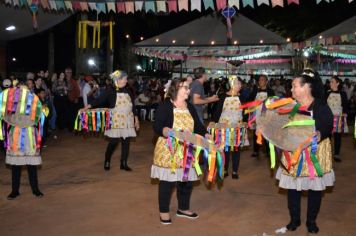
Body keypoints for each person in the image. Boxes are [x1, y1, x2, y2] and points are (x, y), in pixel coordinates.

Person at [276, 69, 334, 234]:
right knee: (293, 188)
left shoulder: (320, 105)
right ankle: (294, 220)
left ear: (307, 87)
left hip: (314, 152)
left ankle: (311, 221)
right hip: (293, 152)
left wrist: (319, 133)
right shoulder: (291, 106)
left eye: (295, 86)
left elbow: (327, 124)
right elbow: (282, 126)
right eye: (292, 86)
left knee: (314, 189)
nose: (292, 89)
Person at [152, 78, 208, 225]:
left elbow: (198, 126)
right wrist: (165, 130)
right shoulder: (165, 105)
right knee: (167, 183)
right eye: (185, 87)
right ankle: (163, 211)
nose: (188, 90)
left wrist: (206, 135)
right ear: (176, 89)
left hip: (187, 149)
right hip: (169, 149)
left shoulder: (189, 106)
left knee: (186, 181)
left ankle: (183, 208)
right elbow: (157, 125)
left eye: (188, 88)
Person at [83, 70, 139, 171]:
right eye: (125, 79)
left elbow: (133, 106)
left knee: (126, 142)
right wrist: (87, 107)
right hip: (115, 120)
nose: (126, 81)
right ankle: (107, 160)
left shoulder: (128, 91)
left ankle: (123, 163)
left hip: (127, 120)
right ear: (118, 80)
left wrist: (136, 119)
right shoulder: (111, 90)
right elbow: (99, 100)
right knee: (113, 142)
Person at [3, 85, 45, 200]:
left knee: (31, 165)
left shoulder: (34, 101)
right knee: (16, 166)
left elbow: (38, 116)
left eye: (24, 90)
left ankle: (35, 189)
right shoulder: (12, 102)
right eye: (20, 90)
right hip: (16, 136)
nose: (22, 92)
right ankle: (15, 191)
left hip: (29, 135)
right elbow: (6, 116)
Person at [212, 76, 247, 179]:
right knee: (225, 149)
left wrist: (245, 121)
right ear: (232, 84)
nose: (240, 86)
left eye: (240, 84)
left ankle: (235, 171)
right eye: (238, 83)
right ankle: (225, 169)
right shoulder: (222, 96)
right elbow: (217, 111)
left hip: (237, 127)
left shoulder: (242, 97)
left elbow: (245, 111)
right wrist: (213, 122)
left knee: (236, 149)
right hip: (224, 128)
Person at [249, 74, 274, 158]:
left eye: (262, 80)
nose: (260, 81)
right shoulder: (255, 91)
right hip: (256, 115)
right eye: (259, 80)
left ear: (266, 82)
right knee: (256, 133)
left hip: (266, 115)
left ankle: (268, 151)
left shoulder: (270, 91)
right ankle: (256, 151)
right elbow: (249, 101)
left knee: (266, 133)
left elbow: (273, 103)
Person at [326, 76, 349, 162]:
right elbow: (324, 105)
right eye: (330, 82)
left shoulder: (342, 94)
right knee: (327, 136)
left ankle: (336, 154)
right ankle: (327, 152)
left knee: (337, 137)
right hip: (328, 117)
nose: (330, 83)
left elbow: (345, 105)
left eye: (332, 82)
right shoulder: (327, 93)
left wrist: (345, 113)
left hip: (339, 117)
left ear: (337, 83)